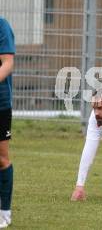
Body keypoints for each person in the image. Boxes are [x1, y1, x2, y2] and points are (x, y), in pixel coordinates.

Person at [0, 18, 15, 228]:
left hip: (0, 103)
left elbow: (8, 63)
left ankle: (4, 212)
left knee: (1, 158)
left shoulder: (2, 26)